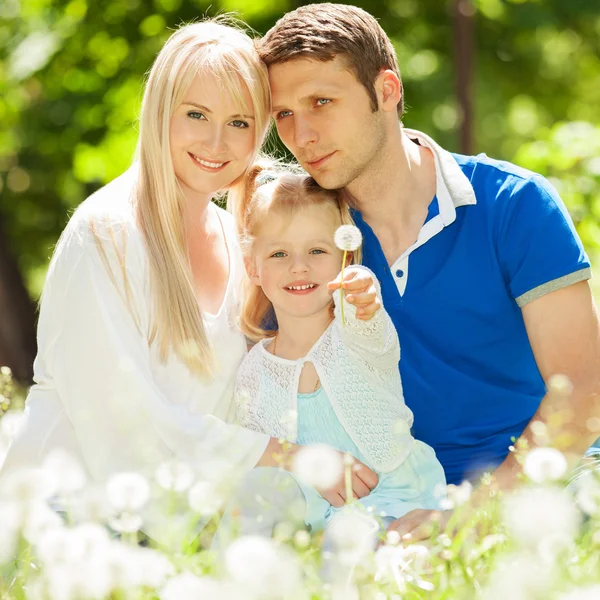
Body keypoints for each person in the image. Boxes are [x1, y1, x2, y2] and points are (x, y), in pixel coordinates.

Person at [0, 19, 378, 543]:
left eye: (240, 122)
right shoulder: (106, 234)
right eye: (196, 114)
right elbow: (125, 418)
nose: (216, 141)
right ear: (160, 113)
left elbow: (259, 385)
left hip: (183, 526)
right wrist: (290, 457)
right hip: (69, 530)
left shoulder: (236, 238)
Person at [257, 4, 600, 539]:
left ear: (387, 91)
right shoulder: (302, 246)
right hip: (398, 503)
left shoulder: (514, 204)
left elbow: (582, 393)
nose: (302, 135)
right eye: (284, 114)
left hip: (547, 489)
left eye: (321, 102)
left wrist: (470, 514)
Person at [231, 165, 445, 537]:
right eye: (279, 254)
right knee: (256, 494)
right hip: (309, 519)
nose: (299, 267)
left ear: (346, 258)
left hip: (389, 499)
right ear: (252, 267)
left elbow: (373, 330)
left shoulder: (355, 332)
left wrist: (365, 295)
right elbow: (262, 459)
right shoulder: (254, 369)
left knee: (358, 550)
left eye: (317, 250)